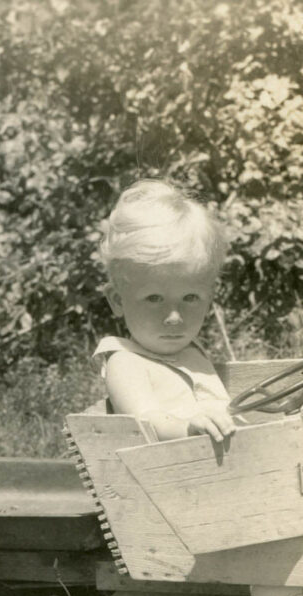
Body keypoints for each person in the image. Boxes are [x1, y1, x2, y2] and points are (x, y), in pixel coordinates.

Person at [93, 179, 237, 442]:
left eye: (190, 297)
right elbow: (146, 420)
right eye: (154, 298)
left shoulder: (191, 352)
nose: (174, 318)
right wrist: (188, 428)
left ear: (210, 298)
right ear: (117, 300)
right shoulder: (125, 362)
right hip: (169, 471)